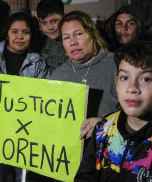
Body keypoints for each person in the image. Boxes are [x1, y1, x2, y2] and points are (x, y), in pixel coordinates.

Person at [75, 40, 152, 182]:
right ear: (116, 83)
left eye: (145, 79)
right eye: (125, 78)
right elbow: (85, 177)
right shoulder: (103, 128)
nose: (132, 88)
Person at [0, 12, 50, 182]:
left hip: (25, 132)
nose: (19, 37)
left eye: (25, 32)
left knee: (23, 178)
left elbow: (43, 96)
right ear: (7, 33)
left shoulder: (38, 61)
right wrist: (4, 110)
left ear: (32, 35)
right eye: (15, 31)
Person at [50, 11, 118, 140]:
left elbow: (137, 112)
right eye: (66, 37)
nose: (73, 42)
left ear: (92, 34)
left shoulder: (117, 65)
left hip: (112, 146)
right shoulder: (57, 76)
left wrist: (105, 123)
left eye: (79, 34)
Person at [31, 0, 66, 72]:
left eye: (54, 21)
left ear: (64, 17)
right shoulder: (39, 43)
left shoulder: (73, 42)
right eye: (44, 23)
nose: (50, 27)